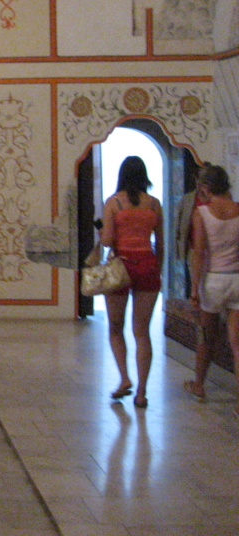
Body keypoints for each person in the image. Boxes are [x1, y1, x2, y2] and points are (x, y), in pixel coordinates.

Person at [101, 155, 163, 409]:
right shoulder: (154, 204)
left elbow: (107, 241)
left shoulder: (113, 203)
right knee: (142, 331)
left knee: (116, 327)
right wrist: (158, 269)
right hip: (147, 264)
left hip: (121, 265)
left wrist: (101, 231)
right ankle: (142, 392)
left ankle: (125, 378)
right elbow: (161, 242)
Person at [183, 164, 239, 416]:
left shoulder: (202, 213)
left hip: (213, 281)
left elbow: (199, 254)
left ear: (205, 187)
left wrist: (194, 288)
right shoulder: (238, 209)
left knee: (206, 337)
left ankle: (199, 385)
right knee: (237, 344)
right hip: (236, 278)